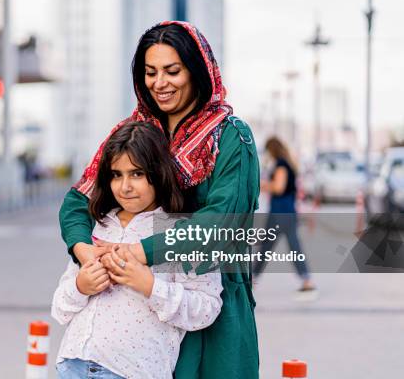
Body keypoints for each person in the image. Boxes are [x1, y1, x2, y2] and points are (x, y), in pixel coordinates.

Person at [59, 21, 260, 378]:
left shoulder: (229, 137)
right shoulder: (134, 133)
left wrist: (138, 253)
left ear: (197, 71)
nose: (160, 83)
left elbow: (221, 224)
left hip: (205, 300)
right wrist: (84, 250)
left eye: (172, 71)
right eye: (150, 72)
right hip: (137, 314)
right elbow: (79, 200)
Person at [52, 122, 223, 379]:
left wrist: (150, 286)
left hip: (131, 371)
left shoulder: (180, 232)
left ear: (159, 172)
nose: (125, 187)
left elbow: (207, 308)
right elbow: (60, 309)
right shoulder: (99, 227)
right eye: (116, 175)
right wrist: (80, 286)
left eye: (137, 174)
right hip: (72, 365)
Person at [253, 136, 316, 293]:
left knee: (268, 247)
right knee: (284, 246)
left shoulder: (281, 164)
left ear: (271, 149)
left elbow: (278, 187)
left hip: (280, 212)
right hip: (286, 211)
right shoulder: (286, 163)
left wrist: (258, 184)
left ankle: (252, 278)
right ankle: (306, 279)